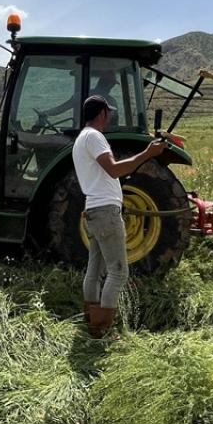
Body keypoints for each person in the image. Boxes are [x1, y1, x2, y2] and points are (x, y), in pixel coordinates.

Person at [74, 95, 166, 337]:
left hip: (93, 211)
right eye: (109, 112)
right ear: (102, 113)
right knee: (118, 272)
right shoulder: (94, 137)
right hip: (105, 213)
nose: (111, 116)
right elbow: (114, 169)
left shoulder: (81, 139)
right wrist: (148, 153)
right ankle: (102, 329)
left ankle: (91, 322)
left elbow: (106, 174)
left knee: (94, 271)